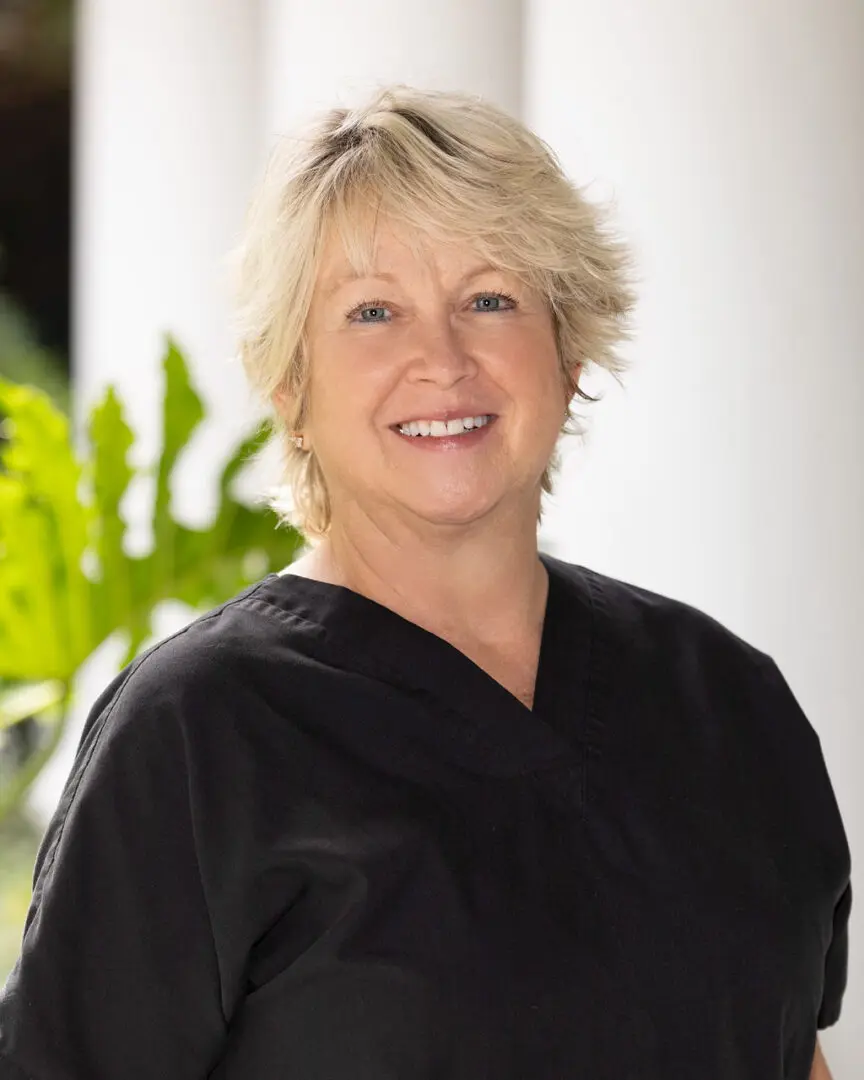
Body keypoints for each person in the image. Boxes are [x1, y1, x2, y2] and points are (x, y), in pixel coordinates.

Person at [0, 84, 851, 1080]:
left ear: (567, 350)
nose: (440, 359)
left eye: (489, 299)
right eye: (371, 311)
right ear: (291, 386)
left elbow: (796, 1057)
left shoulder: (727, 702)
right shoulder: (198, 738)